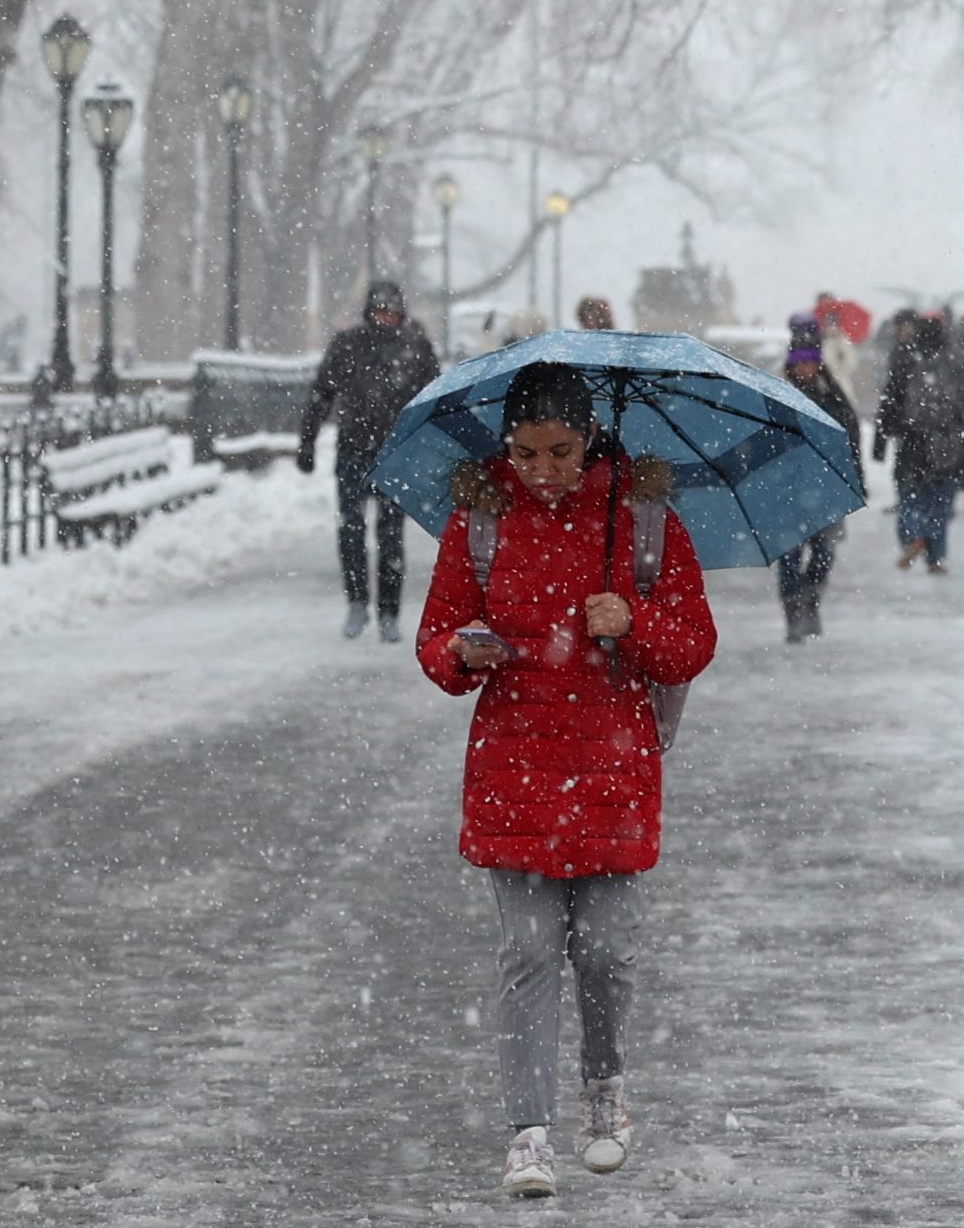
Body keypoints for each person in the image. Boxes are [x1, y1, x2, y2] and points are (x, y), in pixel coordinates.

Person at [418, 361, 716, 1198]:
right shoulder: (478, 519)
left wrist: (635, 618)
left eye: (560, 451)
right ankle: (529, 1131)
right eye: (525, 452)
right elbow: (436, 636)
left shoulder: (646, 522)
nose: (542, 470)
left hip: (614, 768)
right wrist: (460, 653)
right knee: (528, 950)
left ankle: (605, 1087)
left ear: (592, 440)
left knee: (609, 952)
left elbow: (692, 643)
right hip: (516, 767)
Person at [300, 280, 444, 641]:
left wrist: (436, 450)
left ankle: (389, 611)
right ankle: (357, 601)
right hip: (353, 449)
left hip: (395, 454)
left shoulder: (415, 348)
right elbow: (321, 394)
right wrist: (307, 442)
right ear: (369, 312)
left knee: (391, 534)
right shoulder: (348, 346)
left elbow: (437, 400)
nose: (386, 317)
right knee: (351, 527)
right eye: (380, 310)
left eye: (392, 310)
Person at [774, 315, 860, 641]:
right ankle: (793, 614)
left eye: (810, 362)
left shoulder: (834, 398)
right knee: (789, 557)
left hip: (827, 490)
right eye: (800, 363)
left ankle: (811, 600)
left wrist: (855, 481)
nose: (805, 369)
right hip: (787, 491)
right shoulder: (777, 396)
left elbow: (850, 439)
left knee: (824, 554)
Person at [876, 314, 964, 573]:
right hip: (946, 447)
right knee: (939, 505)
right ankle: (936, 557)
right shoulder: (954, 363)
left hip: (912, 444)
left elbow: (889, 403)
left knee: (909, 498)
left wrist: (883, 438)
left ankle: (912, 536)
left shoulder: (905, 360)